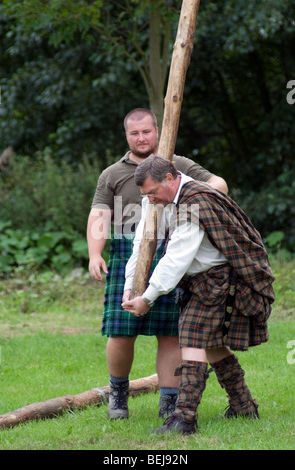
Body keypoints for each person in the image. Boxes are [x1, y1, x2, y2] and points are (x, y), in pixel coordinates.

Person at [87, 108, 228, 420]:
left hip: (174, 245)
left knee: (171, 333)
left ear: (157, 131)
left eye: (146, 132)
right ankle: (118, 395)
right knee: (121, 330)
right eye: (134, 133)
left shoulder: (177, 166)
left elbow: (219, 184)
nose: (141, 138)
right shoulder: (113, 173)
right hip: (128, 247)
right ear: (126, 136)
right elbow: (99, 215)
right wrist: (95, 254)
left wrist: (191, 202)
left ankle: (169, 402)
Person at [122, 155, 275, 434]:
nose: (151, 199)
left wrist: (147, 298)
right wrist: (130, 286)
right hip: (198, 279)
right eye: (146, 195)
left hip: (223, 278)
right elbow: (144, 242)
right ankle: (243, 405)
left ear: (170, 178)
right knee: (212, 343)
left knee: (192, 337)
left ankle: (184, 418)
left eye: (153, 193)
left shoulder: (195, 202)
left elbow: (176, 258)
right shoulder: (156, 197)